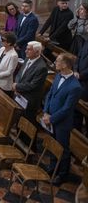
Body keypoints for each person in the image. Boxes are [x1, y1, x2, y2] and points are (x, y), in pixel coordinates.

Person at [42, 53, 82, 185]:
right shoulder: (58, 76)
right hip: (50, 117)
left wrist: (52, 118)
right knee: (52, 145)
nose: (55, 62)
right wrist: (46, 111)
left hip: (62, 123)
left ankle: (63, 174)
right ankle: (53, 168)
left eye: (58, 61)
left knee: (62, 149)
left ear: (65, 65)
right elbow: (50, 94)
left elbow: (67, 109)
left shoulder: (75, 87)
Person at [12, 41, 49, 125]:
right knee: (18, 120)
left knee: (26, 124)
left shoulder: (41, 67)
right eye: (26, 49)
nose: (25, 51)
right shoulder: (28, 58)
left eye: (29, 50)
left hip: (29, 100)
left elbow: (33, 85)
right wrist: (16, 86)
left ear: (37, 52)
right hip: (19, 95)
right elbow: (19, 74)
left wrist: (17, 86)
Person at [0, 32, 19, 96]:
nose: (1, 41)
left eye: (3, 40)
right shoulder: (2, 49)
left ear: (9, 43)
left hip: (4, 84)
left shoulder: (13, 55)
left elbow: (9, 72)